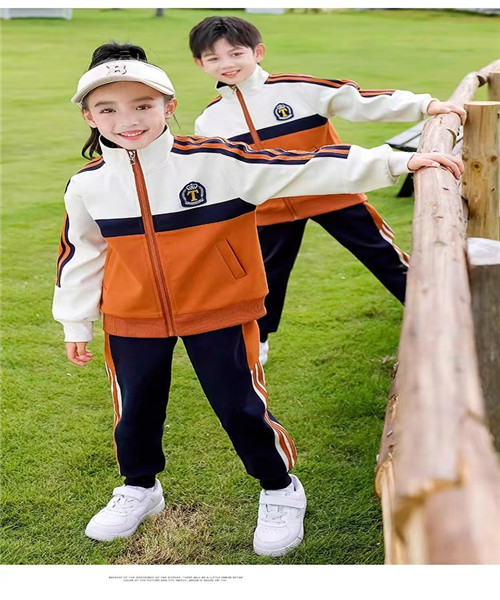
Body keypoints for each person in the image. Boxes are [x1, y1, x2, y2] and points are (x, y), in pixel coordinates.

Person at [52, 42, 462, 557]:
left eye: (142, 105)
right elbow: (80, 254)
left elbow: (304, 165)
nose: (127, 120)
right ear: (89, 115)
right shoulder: (86, 184)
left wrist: (397, 161)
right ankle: (139, 488)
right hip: (131, 317)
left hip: (220, 310)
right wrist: (75, 322)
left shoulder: (216, 158)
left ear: (168, 106)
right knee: (135, 410)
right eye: (108, 109)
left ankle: (278, 488)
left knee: (240, 407)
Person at [189, 16, 467, 365]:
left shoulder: (296, 88)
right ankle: (257, 341)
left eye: (235, 53)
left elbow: (360, 101)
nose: (226, 64)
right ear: (200, 64)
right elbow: (225, 172)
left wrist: (424, 106)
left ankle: (436, 319)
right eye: (213, 59)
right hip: (270, 209)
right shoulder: (209, 120)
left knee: (383, 256)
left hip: (335, 191)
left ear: (257, 52)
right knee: (265, 279)